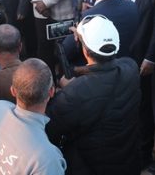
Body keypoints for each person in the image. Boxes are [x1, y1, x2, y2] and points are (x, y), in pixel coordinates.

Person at [46, 16, 141, 175]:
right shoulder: (131, 68)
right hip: (129, 162)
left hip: (92, 166)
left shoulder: (74, 93)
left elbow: (50, 130)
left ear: (84, 49)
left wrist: (68, 88)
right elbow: (110, 67)